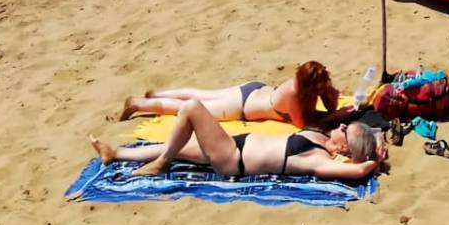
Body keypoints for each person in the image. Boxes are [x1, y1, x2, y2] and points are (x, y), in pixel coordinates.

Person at [93, 102, 382, 183]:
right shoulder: (321, 136)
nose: (341, 127)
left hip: (234, 160)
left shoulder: (317, 160)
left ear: (344, 148)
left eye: (346, 131)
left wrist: (374, 161)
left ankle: (162, 163)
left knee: (191, 109)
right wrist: (376, 142)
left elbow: (357, 170)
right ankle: (115, 153)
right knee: (180, 145)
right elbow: (339, 122)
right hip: (238, 145)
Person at [118, 61, 352, 129]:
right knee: (190, 107)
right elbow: (303, 124)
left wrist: (330, 98)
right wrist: (335, 115)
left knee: (201, 95)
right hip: (241, 107)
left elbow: (327, 108)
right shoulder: (294, 94)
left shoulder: (304, 83)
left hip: (253, 90)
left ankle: (157, 93)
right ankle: (139, 104)